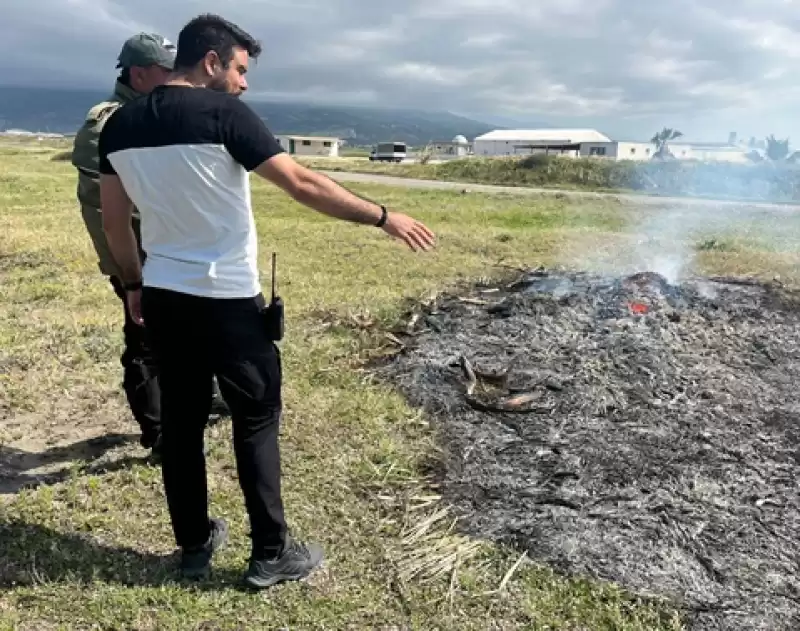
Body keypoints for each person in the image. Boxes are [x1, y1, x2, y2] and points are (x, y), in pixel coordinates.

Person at [97, 13, 436, 587]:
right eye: (240, 69)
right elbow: (302, 184)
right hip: (228, 300)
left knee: (180, 425)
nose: (245, 83)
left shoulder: (120, 126)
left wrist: (133, 285)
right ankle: (270, 554)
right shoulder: (224, 113)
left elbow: (113, 221)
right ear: (211, 62)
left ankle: (195, 545)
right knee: (255, 420)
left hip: (164, 298)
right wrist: (383, 216)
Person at [71, 32, 229, 458]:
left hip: (168, 244)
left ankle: (207, 397)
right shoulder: (107, 122)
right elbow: (113, 204)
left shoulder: (148, 113)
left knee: (190, 324)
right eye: (166, 71)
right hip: (135, 252)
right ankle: (158, 431)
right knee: (144, 336)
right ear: (139, 74)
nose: (175, 78)